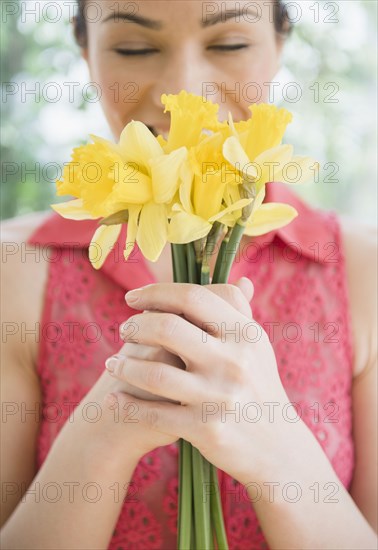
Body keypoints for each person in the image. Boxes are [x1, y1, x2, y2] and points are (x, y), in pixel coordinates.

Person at [1, 1, 377, 549]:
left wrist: (278, 453)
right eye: (134, 49)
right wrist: (100, 437)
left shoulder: (362, 270)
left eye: (229, 45)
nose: (184, 94)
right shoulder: (15, 268)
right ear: (86, 54)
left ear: (280, 44)